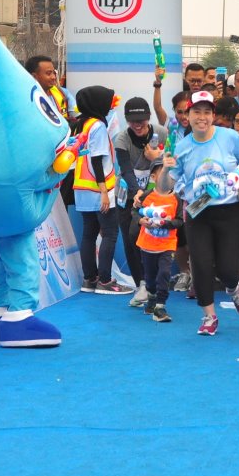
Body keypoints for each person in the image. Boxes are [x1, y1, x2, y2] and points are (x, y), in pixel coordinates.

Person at [165, 90, 239, 336]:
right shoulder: (182, 147)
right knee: (202, 265)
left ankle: (233, 287)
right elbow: (166, 187)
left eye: (207, 112)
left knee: (228, 269)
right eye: (196, 112)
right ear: (188, 114)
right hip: (197, 213)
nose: (201, 117)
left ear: (213, 115)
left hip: (231, 210)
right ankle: (209, 317)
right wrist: (165, 169)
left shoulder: (229, 137)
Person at [74, 87, 129, 295]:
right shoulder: (96, 125)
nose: (109, 104)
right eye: (106, 101)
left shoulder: (81, 124)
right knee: (110, 232)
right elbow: (97, 159)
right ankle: (105, 281)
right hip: (99, 188)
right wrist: (104, 191)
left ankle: (90, 279)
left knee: (89, 233)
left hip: (82, 187)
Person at [114, 97, 166, 307]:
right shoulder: (121, 139)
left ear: (149, 118)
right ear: (127, 119)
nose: (138, 124)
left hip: (154, 194)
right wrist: (137, 192)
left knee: (149, 238)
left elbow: (168, 162)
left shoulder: (161, 133)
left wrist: (157, 155)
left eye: (142, 120)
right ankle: (141, 285)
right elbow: (126, 169)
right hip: (127, 195)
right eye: (133, 120)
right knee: (130, 238)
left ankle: (153, 285)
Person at [133, 158, 183, 323]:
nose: (166, 178)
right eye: (162, 173)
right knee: (150, 276)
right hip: (147, 245)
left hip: (167, 246)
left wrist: (165, 223)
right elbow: (135, 211)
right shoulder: (146, 195)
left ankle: (160, 306)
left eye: (169, 174)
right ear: (154, 178)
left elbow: (179, 221)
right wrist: (141, 220)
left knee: (164, 273)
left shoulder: (177, 199)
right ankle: (152, 298)